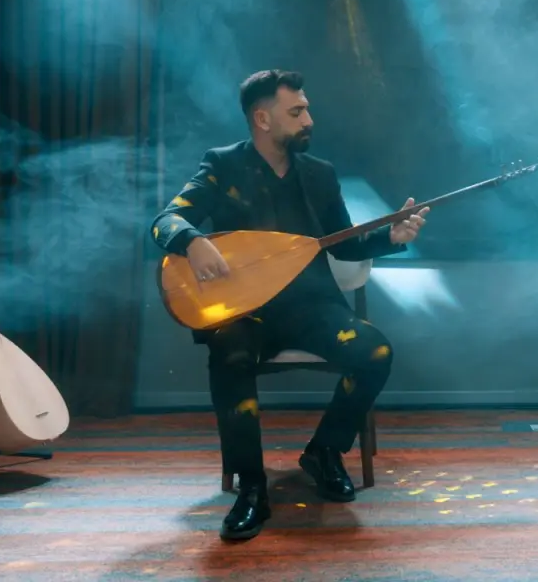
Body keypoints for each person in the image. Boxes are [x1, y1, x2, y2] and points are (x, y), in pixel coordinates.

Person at [150, 69, 428, 541]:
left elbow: (343, 244)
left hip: (311, 307)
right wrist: (192, 241)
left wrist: (391, 237)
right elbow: (165, 220)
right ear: (262, 119)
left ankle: (324, 452)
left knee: (375, 352)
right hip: (245, 312)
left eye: (307, 110)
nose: (308, 120)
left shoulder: (319, 174)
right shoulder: (222, 165)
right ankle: (250, 485)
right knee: (229, 355)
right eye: (296, 112)